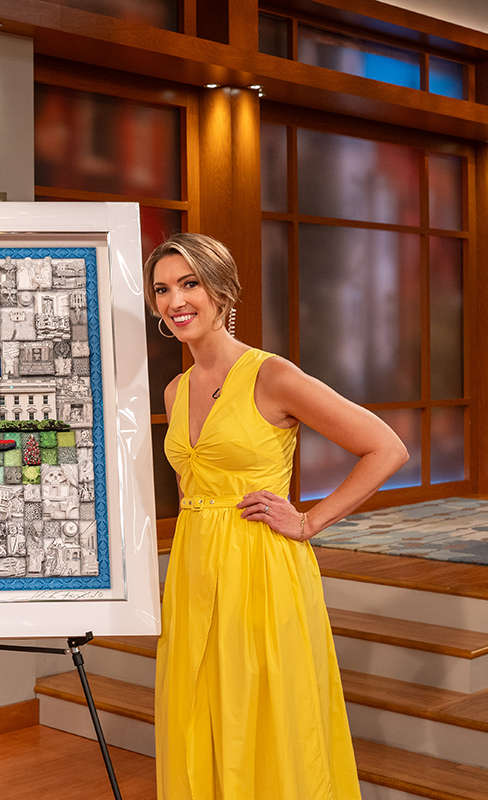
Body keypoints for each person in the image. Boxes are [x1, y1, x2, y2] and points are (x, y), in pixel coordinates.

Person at [146, 233, 408, 800]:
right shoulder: (175, 389)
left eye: (189, 283)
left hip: (261, 566)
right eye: (163, 289)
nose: (176, 300)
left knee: (265, 712)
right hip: (193, 568)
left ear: (222, 291)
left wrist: (309, 522)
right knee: (201, 705)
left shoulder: (272, 375)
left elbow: (386, 447)